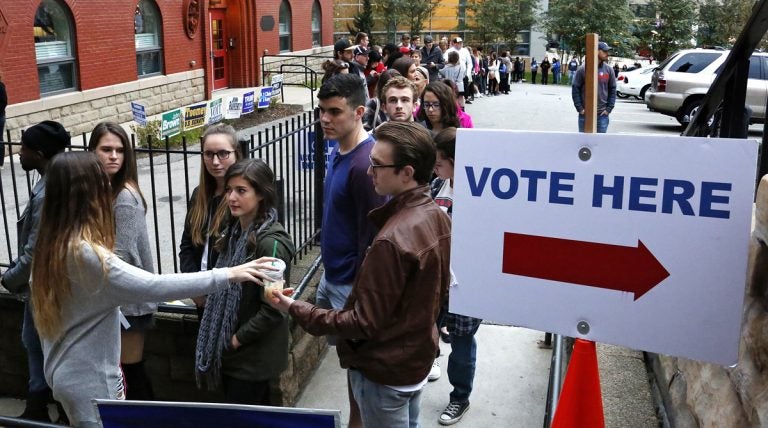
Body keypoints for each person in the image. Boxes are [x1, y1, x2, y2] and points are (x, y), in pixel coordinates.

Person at [30, 152, 278, 427]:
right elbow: (153, 286)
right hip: (91, 383)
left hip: (63, 374)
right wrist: (228, 274)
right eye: (102, 183)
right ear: (88, 194)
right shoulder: (86, 255)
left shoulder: (50, 246)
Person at [268, 121, 452, 428]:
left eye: (378, 165)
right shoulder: (435, 216)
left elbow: (360, 323)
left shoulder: (391, 241)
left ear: (407, 173)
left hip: (386, 374)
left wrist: (294, 307)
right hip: (413, 362)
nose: (369, 172)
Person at [317, 73, 388, 427]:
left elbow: (374, 239)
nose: (325, 119)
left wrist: (358, 296)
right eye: (321, 111)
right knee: (348, 363)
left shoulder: (365, 165)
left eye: (334, 112)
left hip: (351, 287)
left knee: (360, 368)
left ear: (359, 111)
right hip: (333, 277)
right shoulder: (339, 148)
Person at [195, 159, 295, 404]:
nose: (231, 198)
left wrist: (236, 339)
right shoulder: (234, 232)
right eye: (229, 190)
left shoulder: (270, 244)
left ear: (261, 194)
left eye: (241, 191)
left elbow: (274, 308)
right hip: (233, 355)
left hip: (253, 358)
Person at [1, 121, 70, 424]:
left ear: (39, 153)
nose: (18, 153)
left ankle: (53, 409)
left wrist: (9, 278)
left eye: (24, 147)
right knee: (33, 342)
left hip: (45, 286)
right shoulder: (49, 180)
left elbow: (35, 250)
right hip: (39, 286)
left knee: (47, 346)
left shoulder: (49, 192)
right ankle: (37, 405)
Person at [87, 122, 156, 400]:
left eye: (119, 150)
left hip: (129, 302)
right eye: (106, 149)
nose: (114, 156)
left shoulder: (125, 196)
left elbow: (121, 252)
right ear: (93, 151)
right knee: (114, 373)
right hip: (108, 295)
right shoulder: (100, 190)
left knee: (130, 373)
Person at [430, 128, 483, 425]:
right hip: (435, 283)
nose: (434, 168)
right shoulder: (437, 185)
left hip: (464, 286)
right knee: (425, 333)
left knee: (462, 346)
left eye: (439, 162)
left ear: (456, 161)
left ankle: (460, 397)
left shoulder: (479, 194)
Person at [179, 124, 244, 320]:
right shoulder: (199, 194)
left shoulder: (242, 199)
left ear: (236, 154)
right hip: (202, 294)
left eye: (223, 153)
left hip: (229, 297)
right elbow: (186, 246)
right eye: (208, 154)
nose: (215, 161)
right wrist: (195, 290)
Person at [572, 41, 617, 133]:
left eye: (607, 51)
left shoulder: (609, 70)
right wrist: (580, 109)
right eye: (604, 51)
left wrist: (608, 109)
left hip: (602, 115)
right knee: (584, 144)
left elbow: (613, 90)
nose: (607, 54)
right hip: (585, 115)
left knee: (600, 144)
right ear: (596, 51)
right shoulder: (583, 69)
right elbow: (575, 89)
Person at [0, 69, 6, 168]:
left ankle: (0, 163)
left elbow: (4, 102)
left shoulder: (0, 86)